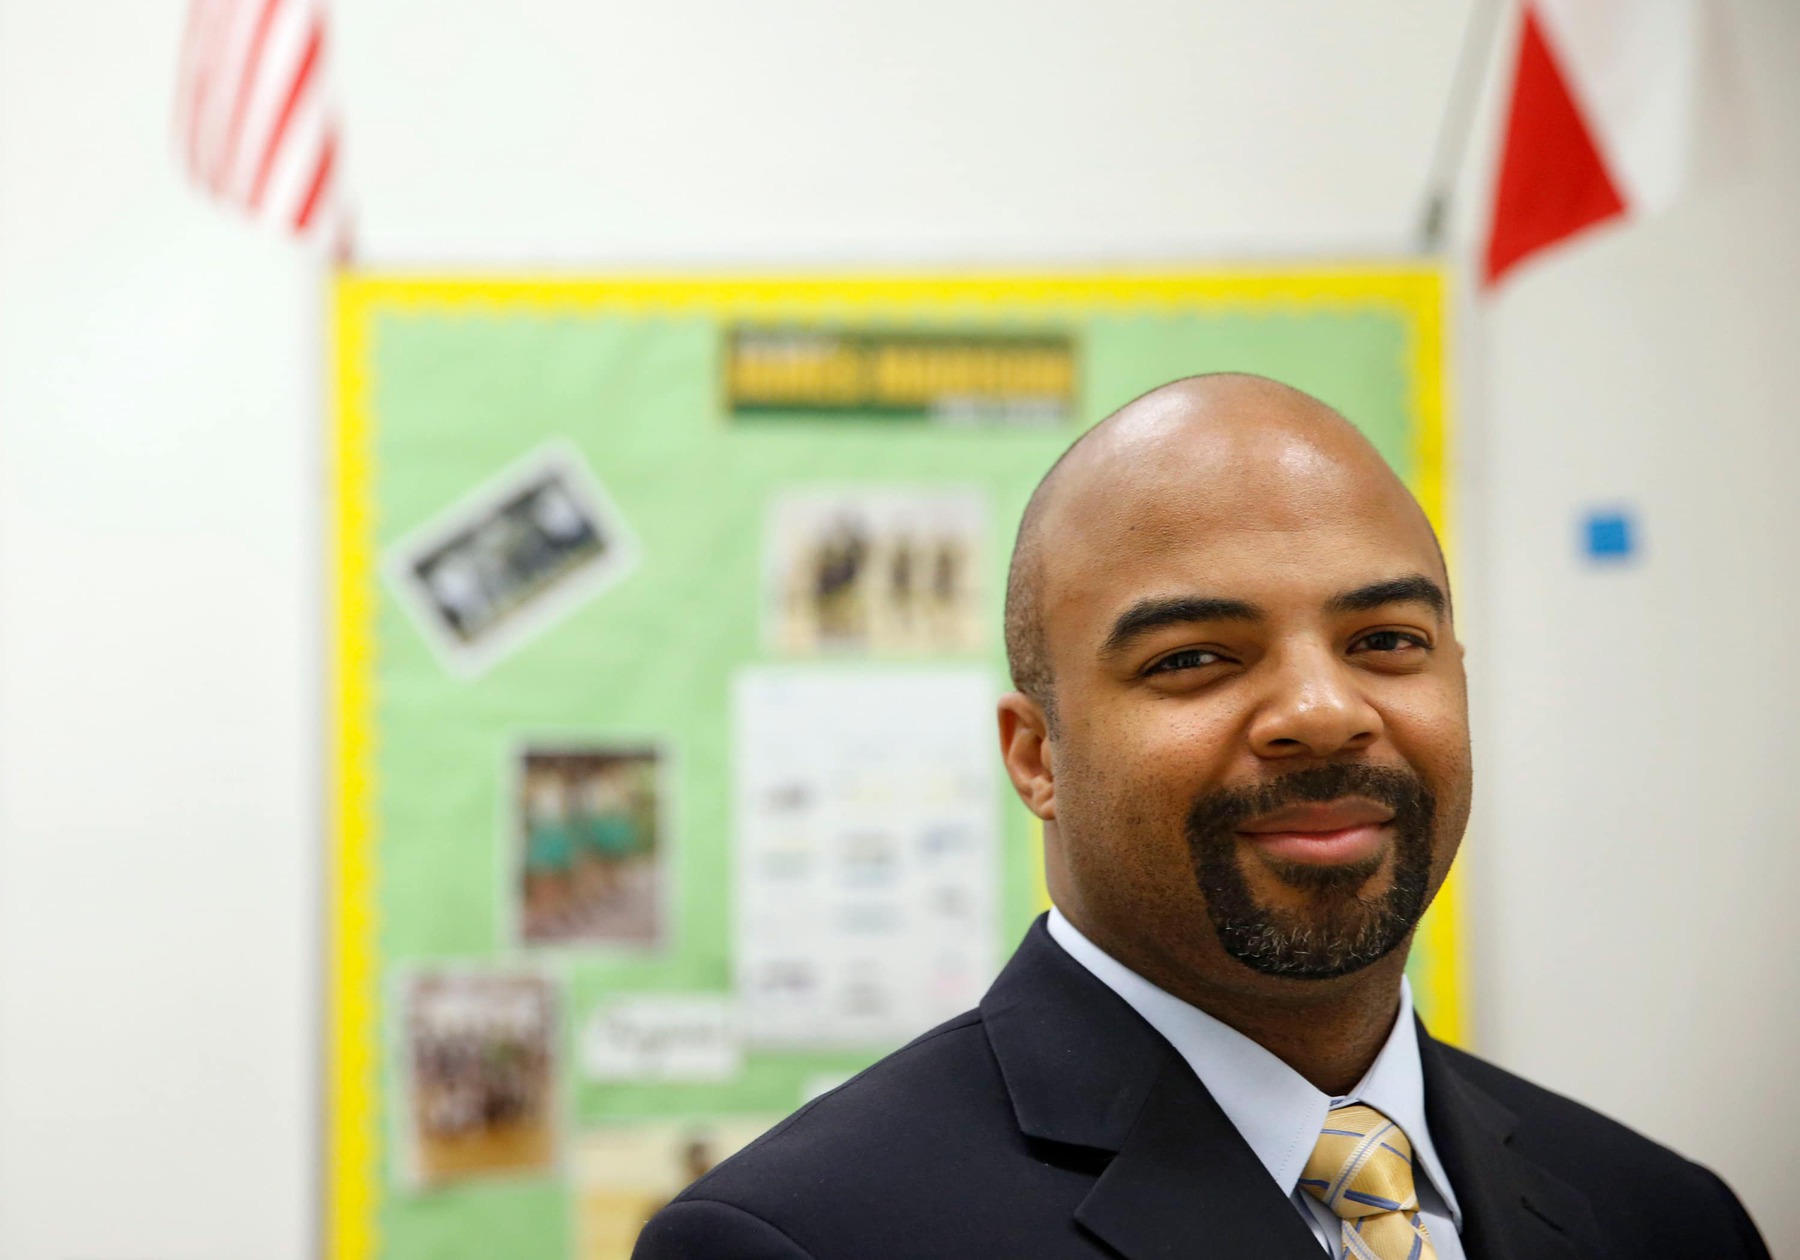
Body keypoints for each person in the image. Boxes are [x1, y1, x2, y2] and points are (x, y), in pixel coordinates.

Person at [634, 374, 1770, 1259]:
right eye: (1193, 658)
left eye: (1386, 641)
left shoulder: (1669, 1219)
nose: (1324, 712)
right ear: (1036, 757)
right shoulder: (802, 1243)